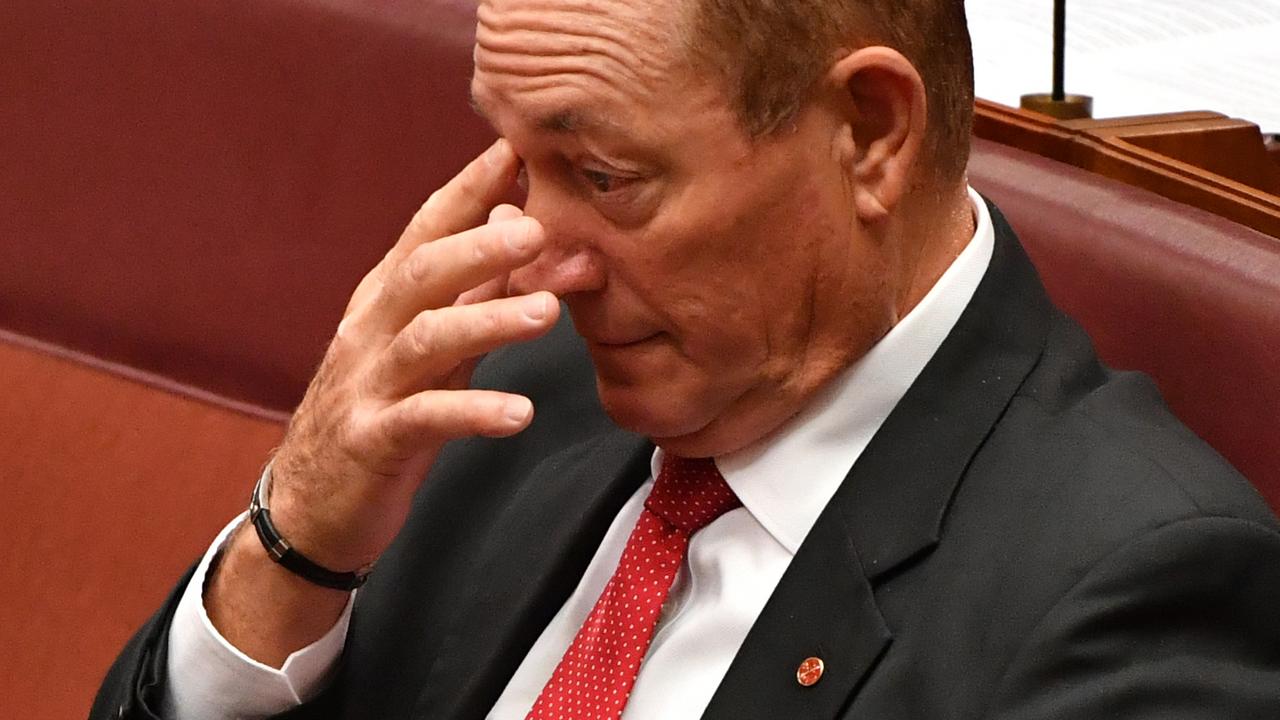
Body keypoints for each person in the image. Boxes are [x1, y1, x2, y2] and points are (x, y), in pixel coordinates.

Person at [93, 0, 1280, 718]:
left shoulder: (1126, 595)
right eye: (511, 158)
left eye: (603, 177)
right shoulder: (510, 400)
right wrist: (293, 540)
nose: (532, 254)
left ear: (868, 134)